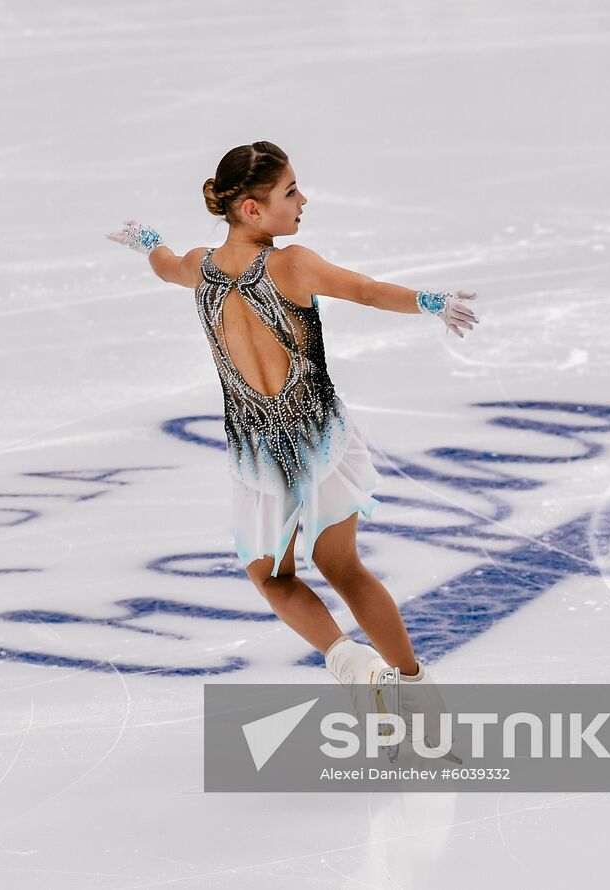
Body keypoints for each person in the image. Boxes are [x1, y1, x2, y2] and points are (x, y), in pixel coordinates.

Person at [107, 141, 477, 757]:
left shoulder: (201, 266)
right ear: (252, 209)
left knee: (270, 576)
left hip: (258, 450)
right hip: (318, 436)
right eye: (290, 193)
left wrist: (148, 241)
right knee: (343, 566)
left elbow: (166, 263)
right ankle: (414, 690)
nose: (303, 201)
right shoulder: (292, 265)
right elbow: (364, 289)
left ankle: (349, 663)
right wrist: (430, 303)